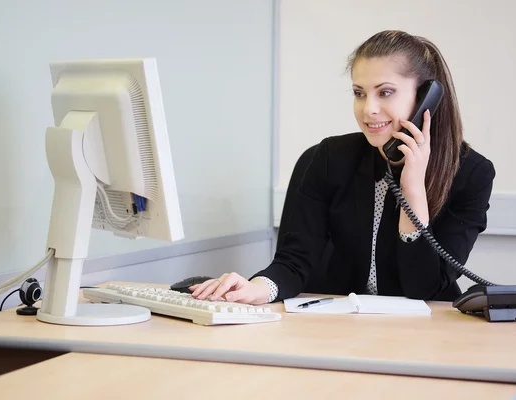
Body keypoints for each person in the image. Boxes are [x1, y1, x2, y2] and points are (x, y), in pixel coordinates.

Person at [191, 30, 495, 305]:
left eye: (385, 92)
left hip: (428, 336)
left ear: (427, 99)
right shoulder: (326, 159)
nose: (368, 109)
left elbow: (424, 289)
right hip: (335, 327)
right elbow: (293, 261)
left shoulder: (472, 175)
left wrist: (412, 189)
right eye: (359, 93)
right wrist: (259, 287)